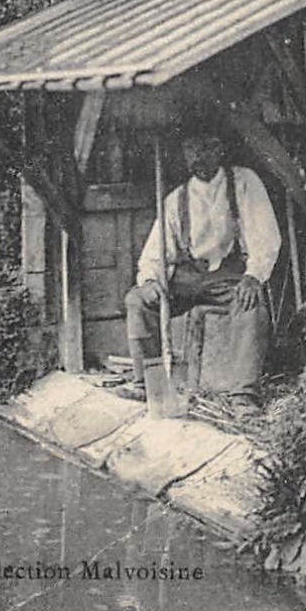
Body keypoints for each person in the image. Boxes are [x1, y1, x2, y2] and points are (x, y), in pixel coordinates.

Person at [124, 132, 282, 411]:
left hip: (228, 277)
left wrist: (254, 275)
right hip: (186, 279)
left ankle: (243, 394)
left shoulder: (244, 182)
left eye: (206, 148)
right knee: (138, 300)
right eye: (191, 149)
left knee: (252, 303)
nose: (198, 156)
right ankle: (149, 385)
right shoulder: (176, 199)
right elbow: (155, 252)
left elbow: (266, 235)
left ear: (219, 149)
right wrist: (150, 280)